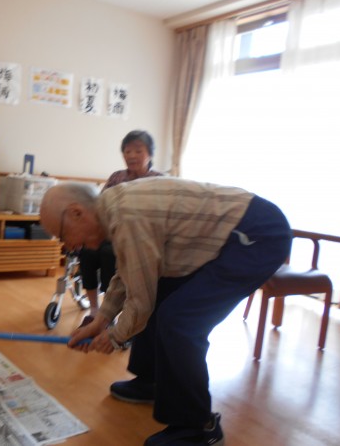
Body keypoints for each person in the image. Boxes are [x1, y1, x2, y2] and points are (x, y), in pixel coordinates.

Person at [39, 177, 292, 446]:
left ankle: (198, 428)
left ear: (77, 212)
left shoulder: (127, 216)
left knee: (179, 322)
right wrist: (101, 320)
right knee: (162, 297)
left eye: (62, 235)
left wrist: (114, 336)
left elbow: (140, 299)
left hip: (257, 235)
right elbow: (129, 273)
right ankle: (152, 381)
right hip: (240, 231)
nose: (69, 246)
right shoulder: (114, 211)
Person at [79, 130, 163, 326]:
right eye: (127, 151)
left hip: (140, 237)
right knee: (88, 252)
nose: (132, 155)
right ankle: (94, 310)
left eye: (138, 151)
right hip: (111, 231)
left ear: (150, 154)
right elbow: (100, 204)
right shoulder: (117, 177)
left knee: (109, 254)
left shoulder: (158, 180)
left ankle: (110, 313)